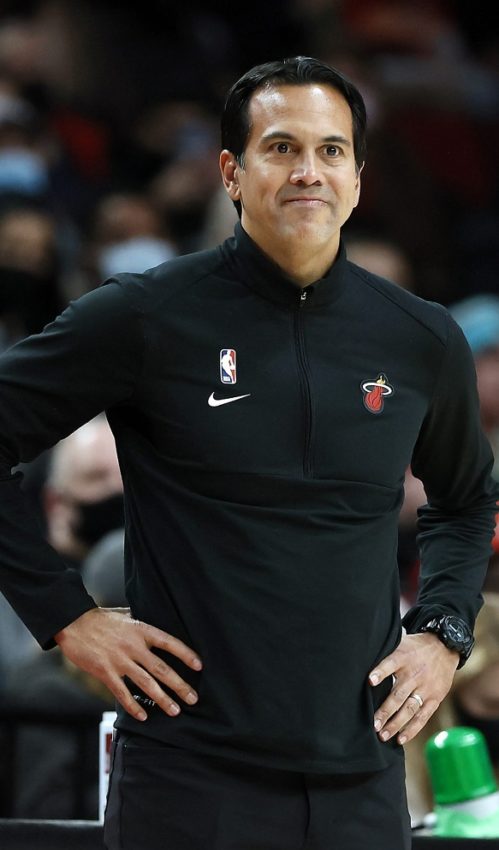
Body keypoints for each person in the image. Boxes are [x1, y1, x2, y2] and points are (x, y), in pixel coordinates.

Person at [0, 56, 497, 850]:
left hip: (362, 779)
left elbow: (467, 499)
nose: (308, 171)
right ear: (231, 172)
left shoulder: (419, 337)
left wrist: (442, 632)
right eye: (281, 148)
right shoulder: (145, 316)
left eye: (331, 150)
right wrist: (67, 617)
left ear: (358, 179)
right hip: (189, 778)